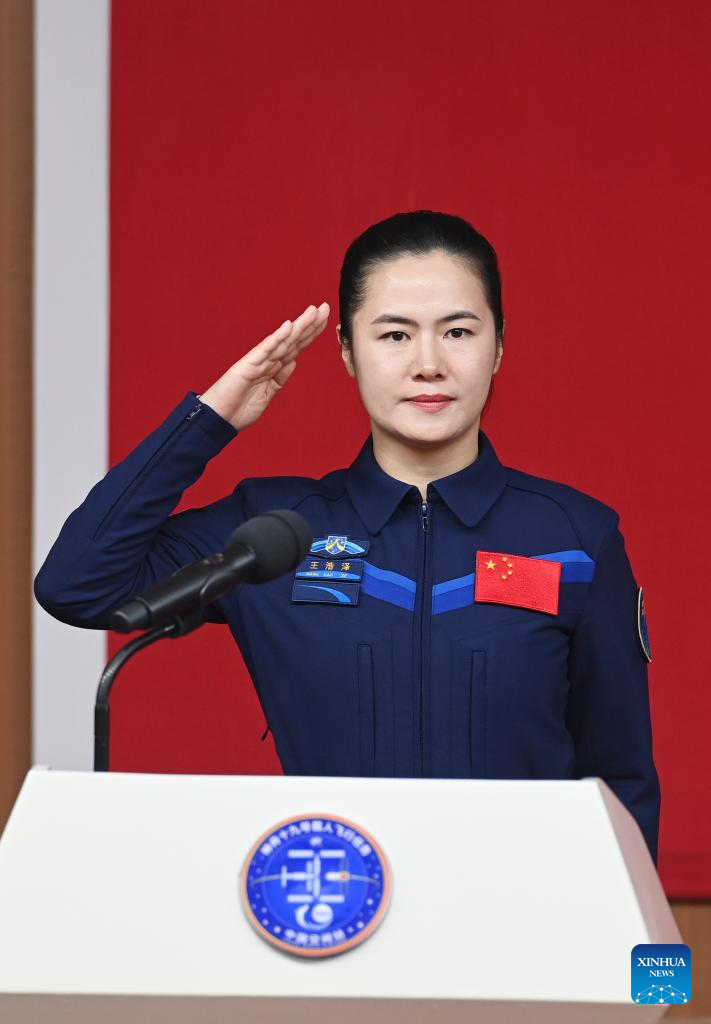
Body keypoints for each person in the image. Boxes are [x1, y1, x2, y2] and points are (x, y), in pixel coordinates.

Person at [34, 210, 661, 864]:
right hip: (333, 908)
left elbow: (622, 785)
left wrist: (619, 931)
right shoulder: (273, 535)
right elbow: (77, 585)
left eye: (457, 331)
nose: (428, 364)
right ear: (346, 351)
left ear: (498, 345)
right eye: (394, 334)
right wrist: (211, 418)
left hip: (522, 915)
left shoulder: (574, 540)